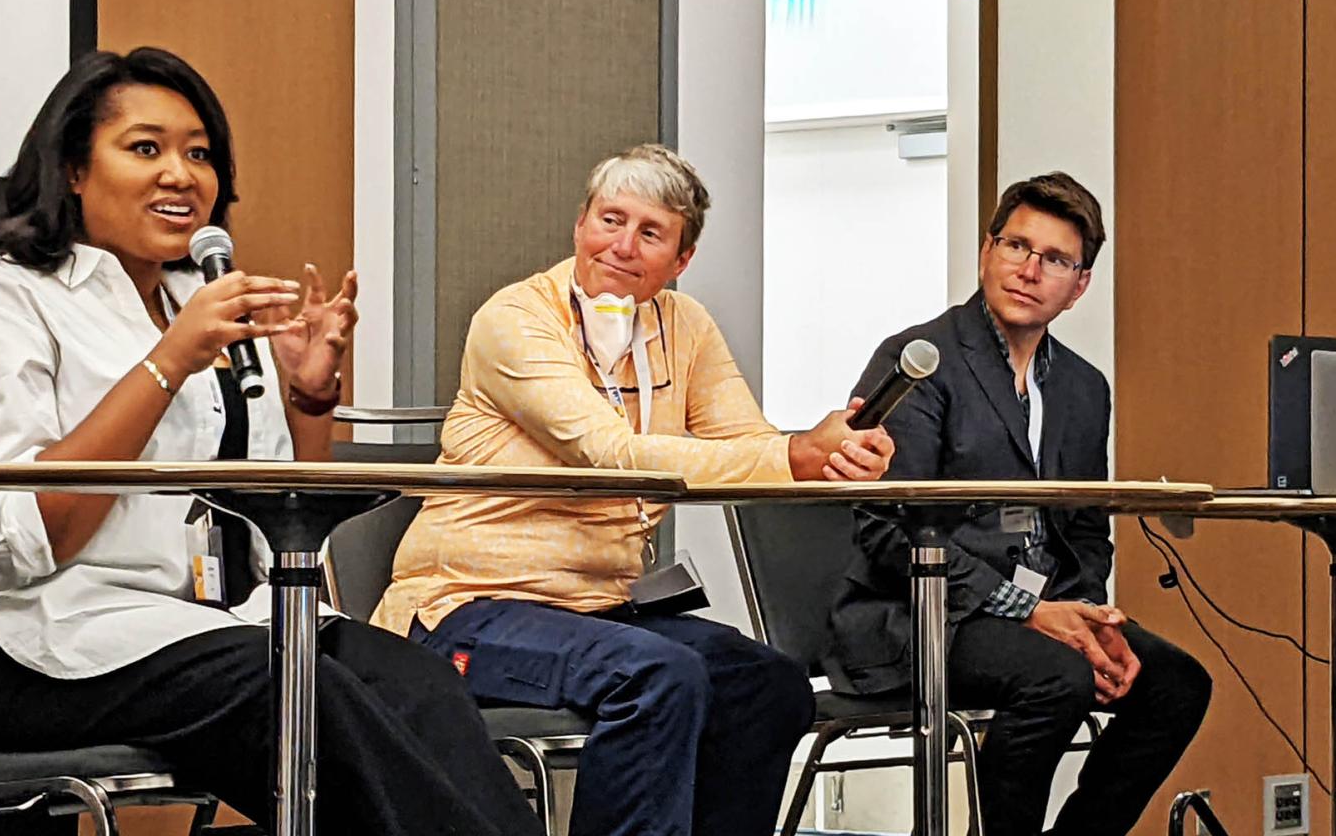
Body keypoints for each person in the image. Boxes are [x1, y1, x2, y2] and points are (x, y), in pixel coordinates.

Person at [0, 47, 539, 836]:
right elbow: (32, 542)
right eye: (145, 148)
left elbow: (277, 519)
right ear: (73, 170)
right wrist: (170, 359)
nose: (182, 175)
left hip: (183, 629)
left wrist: (307, 396)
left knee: (409, 679)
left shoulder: (203, 308)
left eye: (200, 153)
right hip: (14, 642)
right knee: (292, 689)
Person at [373, 143, 897, 836]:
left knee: (769, 686)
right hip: (466, 607)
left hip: (597, 610)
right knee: (658, 674)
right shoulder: (515, 319)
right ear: (578, 226)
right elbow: (608, 455)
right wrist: (793, 455)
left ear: (681, 261)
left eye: (650, 232)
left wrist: (834, 449)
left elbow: (748, 445)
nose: (621, 245)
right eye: (609, 219)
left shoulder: (684, 325)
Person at [823, 172, 1211, 836]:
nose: (1028, 270)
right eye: (1015, 246)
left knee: (1177, 683)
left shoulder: (1085, 388)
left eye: (1055, 259)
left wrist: (1086, 617)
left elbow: (1086, 528)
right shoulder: (921, 360)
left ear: (1080, 284)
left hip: (1041, 614)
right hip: (921, 617)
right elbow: (889, 533)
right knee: (1056, 679)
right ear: (986, 251)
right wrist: (1033, 612)